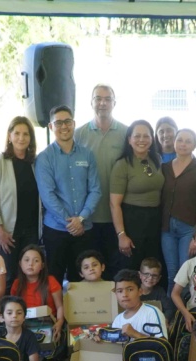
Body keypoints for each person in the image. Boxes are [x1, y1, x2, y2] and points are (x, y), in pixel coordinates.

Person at [37, 105, 101, 283]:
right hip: (56, 230)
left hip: (84, 230)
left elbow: (96, 189)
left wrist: (80, 219)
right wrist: (70, 222)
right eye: (58, 123)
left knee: (80, 280)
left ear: (73, 124)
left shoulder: (87, 155)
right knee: (54, 280)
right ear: (51, 127)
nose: (63, 126)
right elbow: (48, 196)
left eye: (67, 122)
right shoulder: (45, 157)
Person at [75, 84, 128, 270]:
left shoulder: (125, 133)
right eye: (98, 98)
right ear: (91, 102)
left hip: (117, 216)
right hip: (88, 217)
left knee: (115, 270)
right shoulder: (79, 134)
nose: (103, 103)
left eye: (107, 99)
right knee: (91, 269)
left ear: (114, 102)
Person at [0, 116, 41, 280]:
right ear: (9, 136)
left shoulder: (36, 163)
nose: (21, 138)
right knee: (8, 277)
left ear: (31, 138)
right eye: (17, 133)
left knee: (30, 277)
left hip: (31, 230)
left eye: (26, 134)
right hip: (7, 232)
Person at [110, 119, 164, 271]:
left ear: (152, 139)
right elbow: (114, 204)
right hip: (132, 221)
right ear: (129, 139)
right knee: (132, 267)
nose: (142, 140)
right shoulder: (122, 165)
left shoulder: (157, 159)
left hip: (155, 220)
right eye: (137, 136)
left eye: (146, 136)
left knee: (153, 267)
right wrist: (121, 235)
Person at [160, 128, 196, 284]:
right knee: (171, 271)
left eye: (188, 141)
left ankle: (185, 308)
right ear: (174, 143)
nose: (183, 144)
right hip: (167, 228)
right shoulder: (165, 168)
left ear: (195, 146)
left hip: (189, 229)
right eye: (180, 140)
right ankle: (171, 308)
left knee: (186, 272)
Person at [10, 245, 65, 335]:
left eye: (36, 261)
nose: (30, 264)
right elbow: (13, 307)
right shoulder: (17, 283)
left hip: (47, 325)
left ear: (42, 265)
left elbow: (60, 306)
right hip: (24, 326)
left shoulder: (51, 281)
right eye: (26, 260)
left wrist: (59, 322)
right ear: (20, 263)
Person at [0, 296, 43, 361]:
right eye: (9, 313)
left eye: (19, 313)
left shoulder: (29, 336)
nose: (14, 316)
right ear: (2, 317)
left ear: (24, 317)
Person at [109, 269, 168, 339]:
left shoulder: (152, 312)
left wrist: (135, 334)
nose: (124, 294)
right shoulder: (117, 320)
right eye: (120, 291)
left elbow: (163, 345)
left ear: (140, 291)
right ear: (116, 294)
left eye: (130, 289)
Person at [137, 257, 175, 323]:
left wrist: (165, 319)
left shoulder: (159, 291)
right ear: (140, 275)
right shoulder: (134, 290)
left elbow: (169, 309)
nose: (150, 278)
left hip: (155, 323)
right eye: (146, 274)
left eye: (154, 276)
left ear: (159, 278)